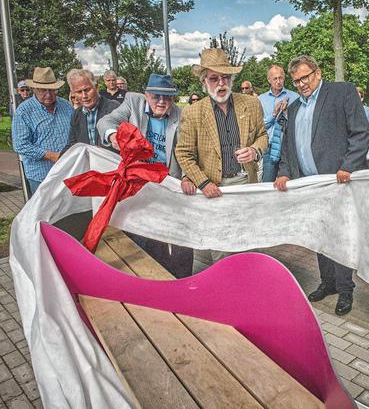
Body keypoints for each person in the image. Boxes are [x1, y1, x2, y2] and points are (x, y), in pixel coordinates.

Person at [273, 55, 369, 316]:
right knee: (319, 235)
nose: (302, 84)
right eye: (296, 81)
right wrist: (284, 172)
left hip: (338, 182)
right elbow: (287, 147)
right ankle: (327, 283)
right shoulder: (293, 109)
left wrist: (348, 165)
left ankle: (345, 289)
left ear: (318, 73)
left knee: (339, 236)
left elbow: (361, 133)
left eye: (305, 77)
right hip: (310, 185)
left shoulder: (342, 92)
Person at [97, 73, 193, 278]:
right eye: (156, 96)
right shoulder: (133, 102)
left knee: (180, 237)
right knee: (146, 236)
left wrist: (186, 176)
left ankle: (183, 280)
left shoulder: (180, 114)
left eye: (167, 97)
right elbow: (106, 121)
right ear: (146, 94)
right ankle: (154, 279)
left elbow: (187, 149)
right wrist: (113, 134)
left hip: (169, 184)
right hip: (139, 185)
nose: (161, 101)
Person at [175, 48, 268, 198]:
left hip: (247, 182)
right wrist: (203, 183)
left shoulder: (252, 104)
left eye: (225, 77)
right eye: (214, 78)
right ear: (204, 82)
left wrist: (255, 151)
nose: (221, 83)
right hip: (212, 186)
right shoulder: (192, 112)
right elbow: (184, 154)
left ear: (231, 79)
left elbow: (262, 135)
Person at [11, 67, 73, 195]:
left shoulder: (66, 106)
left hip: (68, 172)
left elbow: (76, 133)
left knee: (70, 213)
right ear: (34, 89)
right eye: (43, 90)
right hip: (41, 175)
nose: (48, 94)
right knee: (45, 214)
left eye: (52, 90)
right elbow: (20, 145)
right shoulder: (24, 111)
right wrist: (51, 155)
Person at [62, 69, 120, 154]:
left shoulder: (114, 108)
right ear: (73, 93)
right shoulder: (76, 115)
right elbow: (72, 145)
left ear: (96, 88)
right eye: (79, 92)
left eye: (87, 90)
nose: (84, 96)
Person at [258, 64, 299, 182]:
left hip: (289, 147)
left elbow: (298, 123)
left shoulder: (294, 97)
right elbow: (260, 127)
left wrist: (286, 114)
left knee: (291, 183)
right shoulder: (261, 99)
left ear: (284, 77)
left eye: (280, 78)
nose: (278, 81)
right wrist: (274, 114)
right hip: (269, 148)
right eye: (275, 78)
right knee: (268, 183)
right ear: (269, 80)